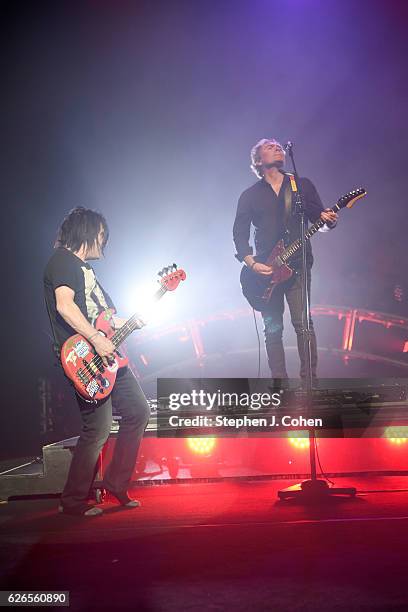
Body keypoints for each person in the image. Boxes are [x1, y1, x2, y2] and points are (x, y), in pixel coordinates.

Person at [44, 207, 150, 516]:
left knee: (138, 411)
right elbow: (65, 307)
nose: (104, 241)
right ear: (88, 231)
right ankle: (74, 501)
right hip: (86, 357)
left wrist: (127, 322)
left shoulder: (86, 270)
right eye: (102, 235)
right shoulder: (63, 261)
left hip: (108, 354)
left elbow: (103, 315)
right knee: (98, 428)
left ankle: (116, 482)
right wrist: (97, 337)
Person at [233, 138, 338, 384]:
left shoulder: (300, 185)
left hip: (299, 266)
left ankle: (309, 382)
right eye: (269, 147)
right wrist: (251, 262)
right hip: (265, 272)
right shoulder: (249, 196)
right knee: (273, 330)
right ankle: (280, 385)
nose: (277, 147)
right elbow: (239, 233)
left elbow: (318, 220)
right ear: (258, 161)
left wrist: (329, 222)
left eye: (278, 145)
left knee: (303, 324)